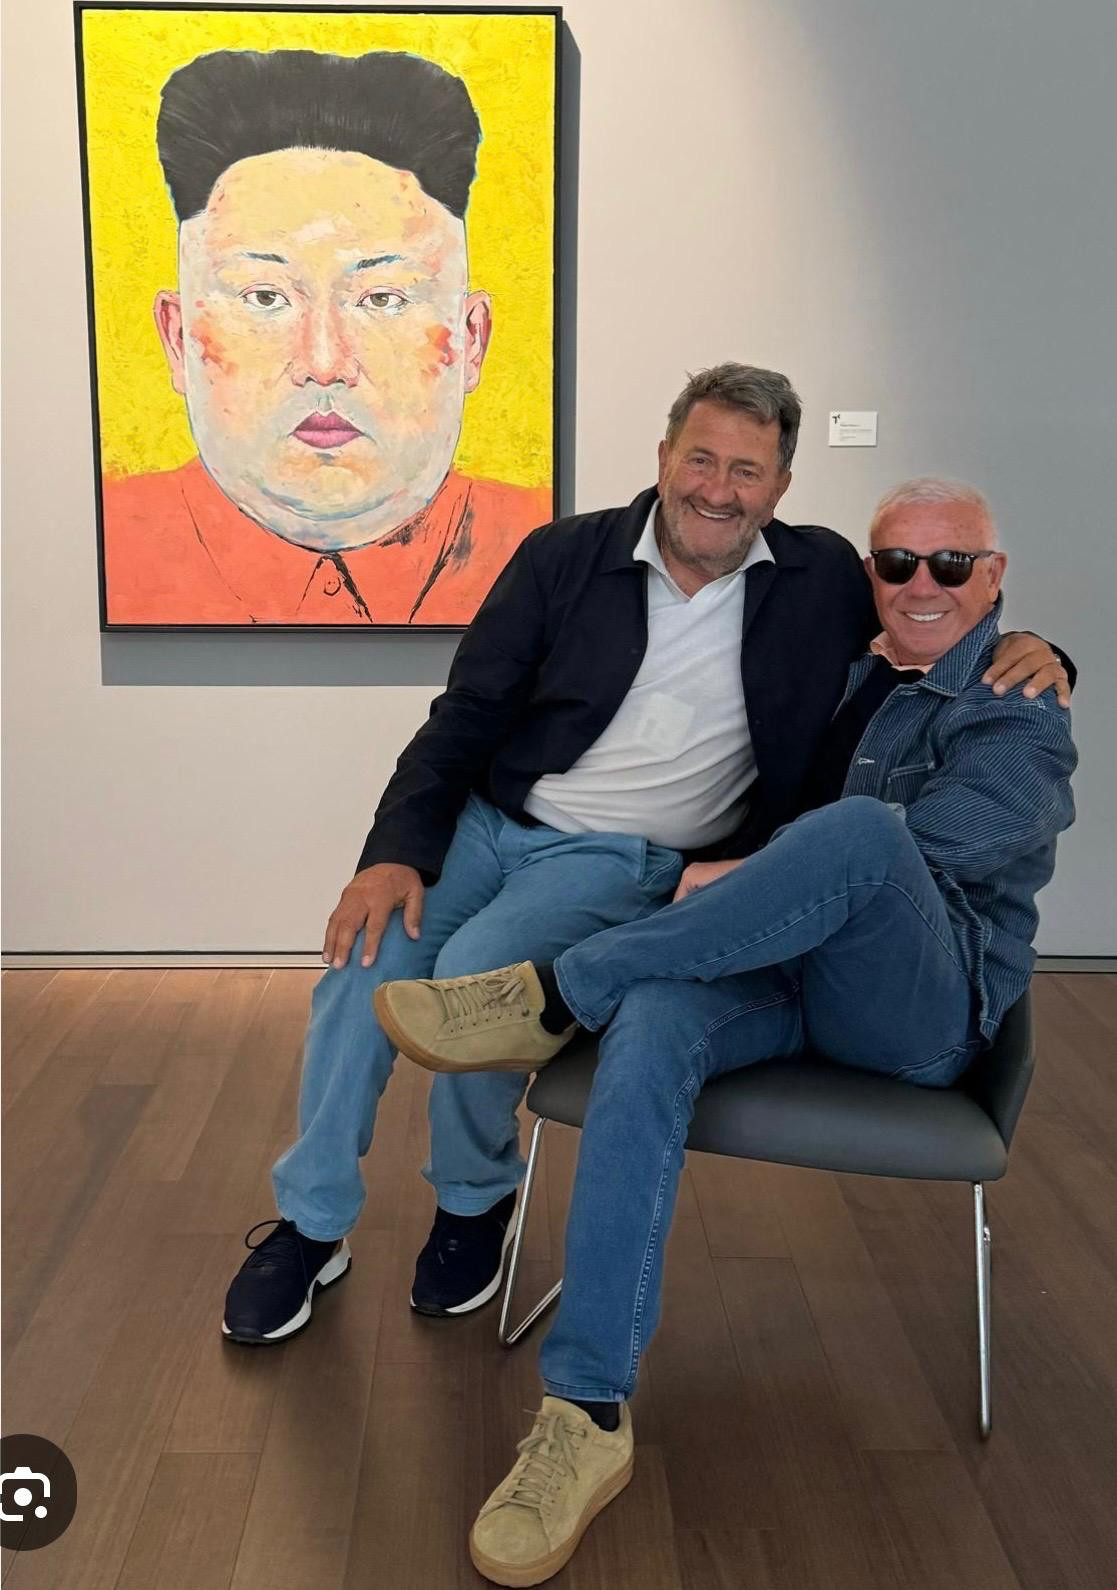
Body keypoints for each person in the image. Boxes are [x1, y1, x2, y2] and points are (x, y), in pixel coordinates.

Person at [220, 364, 1068, 1347]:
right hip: (490, 824)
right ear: (663, 457)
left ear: (780, 486)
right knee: (364, 959)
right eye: (701, 459)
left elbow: (931, 619)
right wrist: (392, 853)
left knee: (478, 972)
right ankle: (312, 1223)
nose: (719, 489)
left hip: (624, 858)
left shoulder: (823, 577)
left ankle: (472, 1203)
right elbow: (467, 714)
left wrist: (1036, 648)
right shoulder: (563, 556)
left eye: (746, 470)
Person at [376, 477, 1077, 1587]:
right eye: (896, 563)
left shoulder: (1014, 701)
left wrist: (746, 872)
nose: (922, 585)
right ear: (869, 575)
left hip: (918, 1018)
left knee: (866, 834)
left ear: (993, 577)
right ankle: (585, 1412)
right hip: (791, 976)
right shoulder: (846, 663)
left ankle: (556, 993)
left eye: (951, 565)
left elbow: (939, 846)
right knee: (656, 1021)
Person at [102, 49, 551, 626]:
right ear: (178, 337)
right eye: (264, 297)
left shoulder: (547, 552)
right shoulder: (102, 541)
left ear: (471, 340)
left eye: (382, 299)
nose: (323, 363)